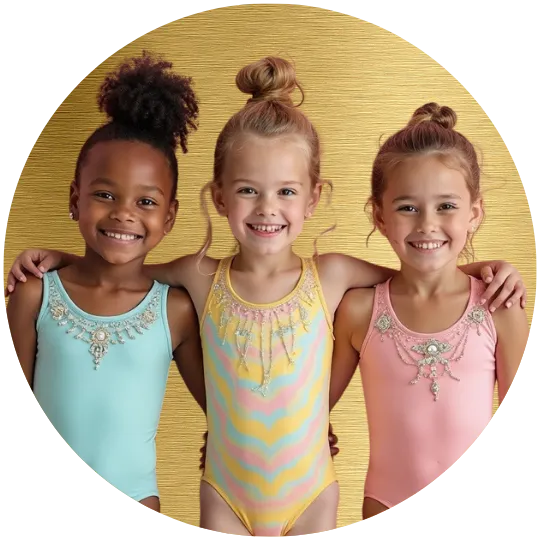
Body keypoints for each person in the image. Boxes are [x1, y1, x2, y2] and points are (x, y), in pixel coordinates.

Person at [6, 58, 526, 535]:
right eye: (248, 190)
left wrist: (482, 271)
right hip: (224, 495)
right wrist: (62, 259)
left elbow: (418, 269)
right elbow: (125, 268)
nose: (266, 209)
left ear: (314, 197)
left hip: (313, 497)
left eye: (286, 191)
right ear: (219, 196)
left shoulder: (334, 276)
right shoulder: (200, 276)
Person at [6, 51, 206, 514]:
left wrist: (297, 434)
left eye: (146, 201)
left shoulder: (174, 311)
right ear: (75, 199)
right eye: (104, 194)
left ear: (170, 216)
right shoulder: (36, 294)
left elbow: (221, 407)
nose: (124, 213)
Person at [329, 103, 530, 520]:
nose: (426, 224)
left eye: (446, 206)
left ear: (474, 213)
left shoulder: (498, 309)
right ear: (379, 216)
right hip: (383, 504)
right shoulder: (360, 310)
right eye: (407, 207)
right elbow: (311, 407)